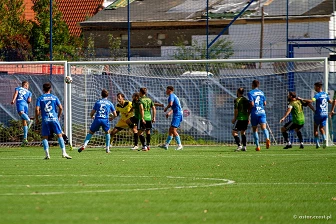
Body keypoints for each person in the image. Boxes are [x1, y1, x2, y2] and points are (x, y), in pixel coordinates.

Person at [35, 82, 72, 159]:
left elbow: (37, 109)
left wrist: (37, 118)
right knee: (59, 135)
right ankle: (64, 153)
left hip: (45, 119)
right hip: (54, 118)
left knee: (45, 137)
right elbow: (61, 108)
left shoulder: (40, 98)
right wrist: (58, 116)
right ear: (50, 89)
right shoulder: (54, 97)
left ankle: (47, 155)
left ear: (43, 89)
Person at [78, 89, 117, 153]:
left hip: (97, 119)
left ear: (101, 95)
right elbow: (115, 114)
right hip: (105, 120)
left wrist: (92, 116)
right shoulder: (110, 103)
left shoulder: (98, 102)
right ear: (107, 95)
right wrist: (111, 118)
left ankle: (84, 145)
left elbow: (92, 113)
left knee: (90, 132)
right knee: (107, 132)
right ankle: (107, 149)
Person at [299, 81, 333, 148]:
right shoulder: (325, 94)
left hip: (318, 113)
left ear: (318, 87)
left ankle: (317, 144)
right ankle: (324, 138)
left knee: (315, 128)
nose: (314, 88)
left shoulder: (318, 95)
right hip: (325, 113)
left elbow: (312, 100)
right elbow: (330, 101)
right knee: (321, 128)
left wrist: (302, 99)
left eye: (315, 86)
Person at [248, 80, 270, 151]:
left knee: (255, 129)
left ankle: (258, 146)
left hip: (255, 112)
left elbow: (252, 104)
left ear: (252, 85)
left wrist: (249, 111)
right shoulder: (261, 92)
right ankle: (267, 138)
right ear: (258, 85)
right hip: (262, 112)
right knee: (264, 128)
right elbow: (265, 103)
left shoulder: (250, 93)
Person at [159, 86, 183, 150]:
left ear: (170, 90)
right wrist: (169, 113)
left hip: (178, 114)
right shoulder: (173, 96)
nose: (166, 91)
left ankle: (179, 145)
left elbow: (170, 104)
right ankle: (166, 145)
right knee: (170, 129)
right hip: (177, 113)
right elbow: (175, 107)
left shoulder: (171, 95)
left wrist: (166, 108)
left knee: (173, 130)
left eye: (166, 90)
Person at [11, 80, 33, 146]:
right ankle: (25, 139)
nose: (28, 87)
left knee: (20, 113)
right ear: (26, 85)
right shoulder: (29, 92)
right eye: (28, 85)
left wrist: (13, 100)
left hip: (20, 102)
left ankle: (29, 120)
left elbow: (16, 94)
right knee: (23, 121)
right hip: (26, 105)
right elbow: (29, 100)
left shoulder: (18, 88)